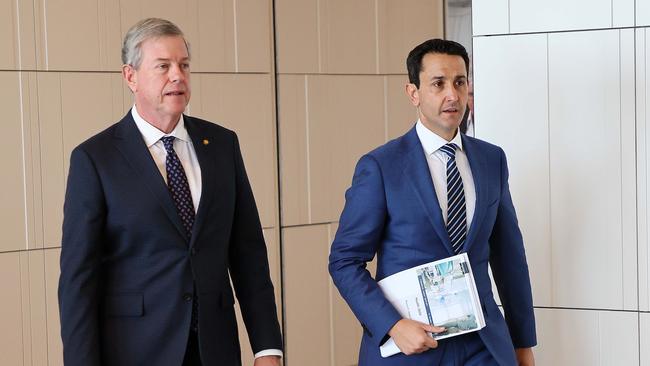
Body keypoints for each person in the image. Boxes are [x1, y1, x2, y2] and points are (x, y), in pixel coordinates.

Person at [58, 18, 282, 366]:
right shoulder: (95, 158)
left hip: (215, 349)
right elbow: (78, 281)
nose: (177, 75)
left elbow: (248, 252)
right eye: (163, 66)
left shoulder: (222, 144)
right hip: (136, 350)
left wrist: (267, 348)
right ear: (130, 76)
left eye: (184, 65)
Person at [328, 39, 536, 365]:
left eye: (460, 82)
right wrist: (393, 325)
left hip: (483, 346)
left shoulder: (491, 159)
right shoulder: (381, 166)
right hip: (412, 345)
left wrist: (523, 344)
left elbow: (510, 257)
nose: (452, 94)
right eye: (438, 84)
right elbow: (344, 261)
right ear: (414, 93)